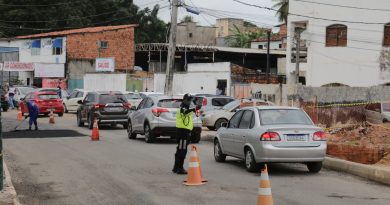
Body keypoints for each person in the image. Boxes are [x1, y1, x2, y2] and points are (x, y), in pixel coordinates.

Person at [173, 93, 202, 174]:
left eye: (190, 100)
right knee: (182, 150)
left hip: (184, 131)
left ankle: (176, 167)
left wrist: (195, 109)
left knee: (180, 149)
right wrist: (194, 109)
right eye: (189, 100)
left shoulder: (186, 107)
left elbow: (188, 113)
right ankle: (179, 168)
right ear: (184, 100)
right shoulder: (182, 107)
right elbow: (185, 112)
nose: (190, 102)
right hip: (182, 132)